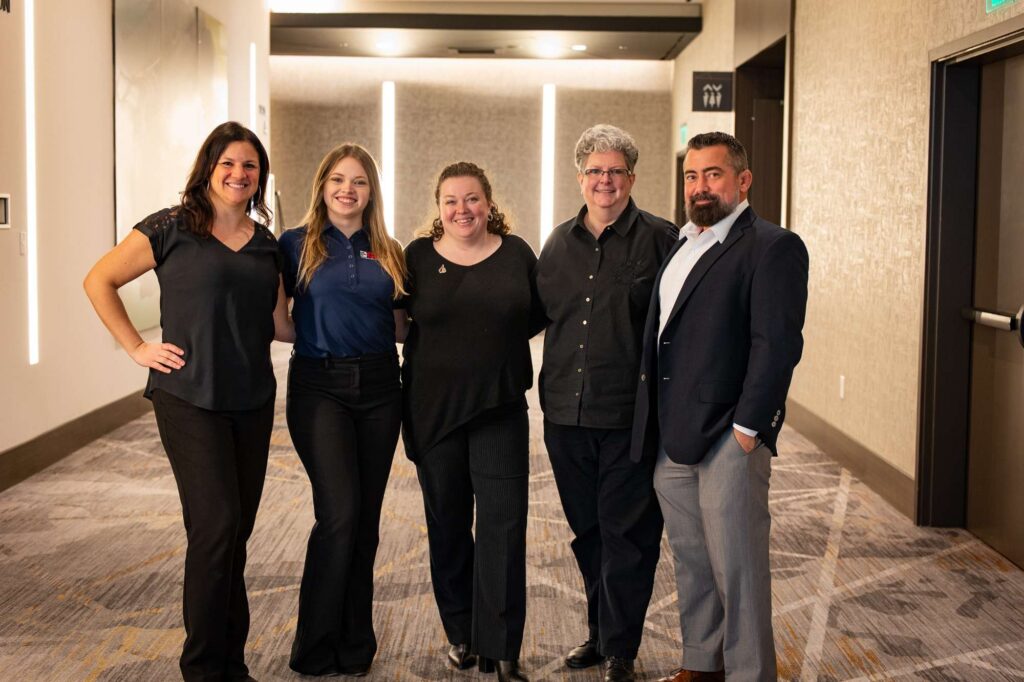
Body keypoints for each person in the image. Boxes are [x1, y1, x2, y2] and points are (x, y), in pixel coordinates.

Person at [83, 121, 293, 682]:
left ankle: (231, 663)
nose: (239, 174)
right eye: (228, 163)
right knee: (217, 525)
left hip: (251, 399)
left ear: (260, 176)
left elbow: (282, 326)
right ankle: (202, 668)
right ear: (208, 168)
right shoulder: (170, 227)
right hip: (189, 396)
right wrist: (136, 347)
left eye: (249, 166)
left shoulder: (267, 245)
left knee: (233, 533)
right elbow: (99, 280)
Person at [631, 131, 808, 682]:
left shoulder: (773, 246)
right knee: (692, 561)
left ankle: (751, 674)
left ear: (743, 180)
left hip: (730, 436)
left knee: (739, 567)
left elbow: (776, 344)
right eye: (692, 175)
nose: (700, 186)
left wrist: (749, 429)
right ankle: (702, 665)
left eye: (713, 174)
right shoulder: (682, 243)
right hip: (673, 433)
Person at [533, 124, 676, 682]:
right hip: (565, 416)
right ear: (580, 178)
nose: (605, 181)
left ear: (632, 178)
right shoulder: (557, 244)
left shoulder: (660, 240)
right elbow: (534, 316)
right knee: (588, 532)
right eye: (595, 171)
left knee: (627, 536)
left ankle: (621, 646)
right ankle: (599, 630)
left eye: (615, 171)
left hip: (629, 419)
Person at [398, 161, 539, 682]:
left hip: (499, 408)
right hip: (433, 412)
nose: (462, 209)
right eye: (451, 200)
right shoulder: (416, 257)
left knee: (504, 525)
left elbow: (536, 315)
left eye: (472, 198)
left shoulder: (517, 253)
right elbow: (397, 324)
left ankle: (501, 649)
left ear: (489, 203)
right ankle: (461, 633)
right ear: (438, 208)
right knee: (448, 525)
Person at [278, 143, 407, 677]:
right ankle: (315, 645)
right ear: (322, 186)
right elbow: (278, 321)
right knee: (339, 514)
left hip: (381, 388)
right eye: (337, 179)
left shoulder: (390, 250)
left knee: (366, 521)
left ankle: (356, 645)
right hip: (320, 388)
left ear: (371, 191)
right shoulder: (294, 244)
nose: (347, 190)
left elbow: (401, 327)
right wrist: (322, 338)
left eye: (358, 181)